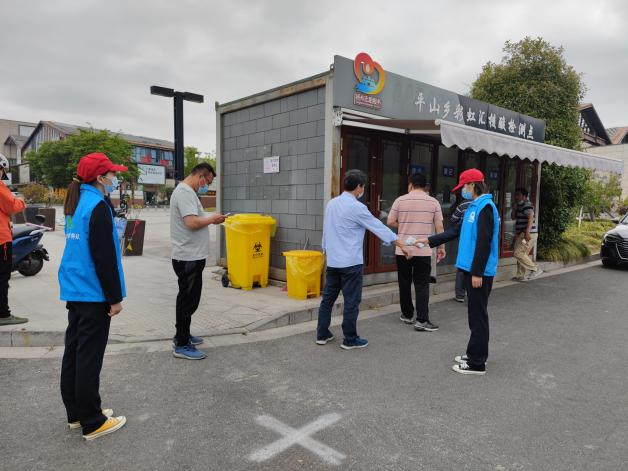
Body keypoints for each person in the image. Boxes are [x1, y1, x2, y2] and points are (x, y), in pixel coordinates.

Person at [58, 152, 128, 440]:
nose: (115, 177)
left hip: (75, 288)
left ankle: (77, 413)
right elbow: (104, 258)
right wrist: (114, 298)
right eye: (112, 173)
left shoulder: (76, 202)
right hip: (93, 292)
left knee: (74, 353)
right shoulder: (97, 206)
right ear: (100, 177)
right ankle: (93, 421)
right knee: (89, 357)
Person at [316, 169, 410, 350]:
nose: (363, 189)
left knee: (328, 299)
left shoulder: (332, 204)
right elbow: (377, 226)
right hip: (351, 262)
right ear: (359, 187)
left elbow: (326, 229)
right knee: (351, 301)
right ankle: (350, 339)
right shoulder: (357, 207)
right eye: (363, 186)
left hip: (334, 260)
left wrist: (325, 249)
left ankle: (322, 334)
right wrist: (401, 244)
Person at [417, 169, 499, 375]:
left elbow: (484, 243)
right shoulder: (473, 206)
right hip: (471, 268)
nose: (462, 190)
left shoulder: (486, 208)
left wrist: (477, 273)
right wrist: (428, 240)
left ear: (472, 185)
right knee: (474, 315)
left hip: (479, 272)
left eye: (464, 186)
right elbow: (455, 231)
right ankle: (474, 354)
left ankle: (477, 363)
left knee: (478, 317)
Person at [170, 163, 226, 360]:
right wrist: (212, 219)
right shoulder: (185, 192)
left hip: (191, 256)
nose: (206, 186)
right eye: (207, 182)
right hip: (188, 257)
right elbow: (192, 222)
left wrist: (210, 219)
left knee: (187, 298)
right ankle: (182, 344)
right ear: (201, 176)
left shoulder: (187, 192)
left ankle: (182, 335)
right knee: (188, 301)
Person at [387, 173, 445, 332]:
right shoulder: (433, 202)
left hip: (402, 250)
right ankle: (422, 320)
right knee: (422, 285)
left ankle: (407, 315)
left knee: (404, 282)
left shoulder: (400, 200)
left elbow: (390, 221)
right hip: (423, 251)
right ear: (425, 186)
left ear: (411, 184)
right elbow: (439, 227)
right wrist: (441, 247)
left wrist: (404, 224)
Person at [0, 153, 27, 326]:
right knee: (2, 277)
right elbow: (12, 206)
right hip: (1, 240)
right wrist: (21, 202)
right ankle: (3, 314)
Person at [512, 187, 543, 281]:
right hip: (522, 234)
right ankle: (520, 276)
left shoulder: (527, 205)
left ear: (524, 196)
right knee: (522, 254)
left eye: (518, 195)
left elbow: (531, 218)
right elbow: (513, 217)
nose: (516, 197)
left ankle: (535, 269)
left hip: (528, 234)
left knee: (518, 253)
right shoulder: (519, 205)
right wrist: (514, 209)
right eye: (515, 194)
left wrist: (527, 233)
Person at [450, 193, 472, 303]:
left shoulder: (463, 204)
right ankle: (472, 295)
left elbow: (453, 218)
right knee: (475, 265)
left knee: (462, 267)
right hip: (478, 241)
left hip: (464, 238)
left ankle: (460, 295)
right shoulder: (486, 205)